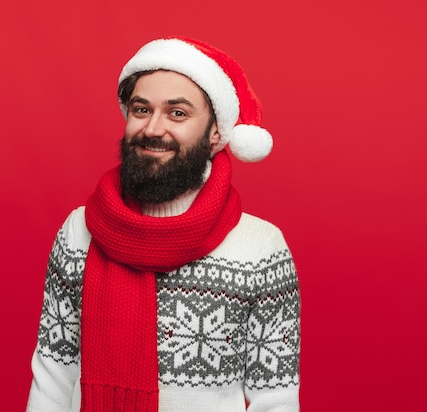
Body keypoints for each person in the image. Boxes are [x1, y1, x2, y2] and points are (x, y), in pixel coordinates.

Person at [26, 36, 300, 412]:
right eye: (141, 110)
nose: (153, 129)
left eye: (177, 113)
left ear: (216, 133)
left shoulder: (260, 246)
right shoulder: (79, 230)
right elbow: (53, 377)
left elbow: (276, 398)